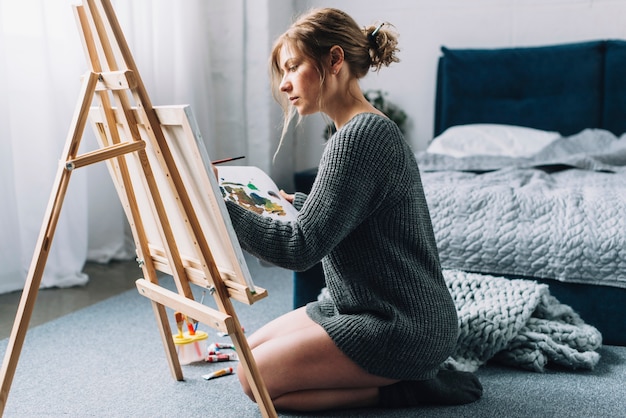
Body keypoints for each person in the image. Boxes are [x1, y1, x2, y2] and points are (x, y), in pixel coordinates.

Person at [216, 7, 482, 412]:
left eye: (293, 67)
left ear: (334, 60)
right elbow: (356, 217)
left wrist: (218, 207)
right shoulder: (359, 129)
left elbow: (300, 249)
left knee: (254, 379)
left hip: (401, 323)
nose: (285, 84)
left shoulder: (358, 137)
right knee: (249, 355)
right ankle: (405, 375)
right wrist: (299, 204)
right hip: (360, 305)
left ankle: (410, 388)